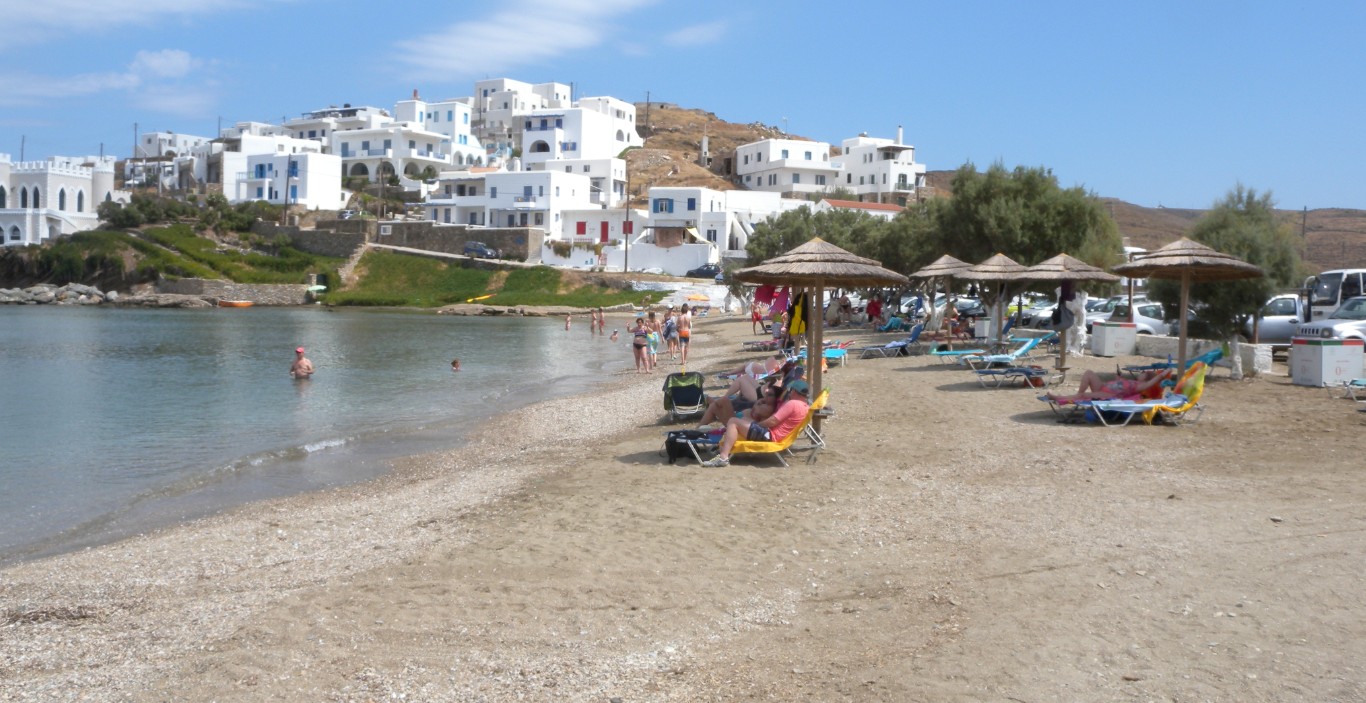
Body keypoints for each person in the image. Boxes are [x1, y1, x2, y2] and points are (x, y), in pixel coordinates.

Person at [701, 381, 812, 467]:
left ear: (794, 391)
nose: (789, 392)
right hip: (776, 436)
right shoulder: (805, 407)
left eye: (790, 390)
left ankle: (723, 457)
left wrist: (758, 425)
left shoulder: (792, 404)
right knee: (742, 420)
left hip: (770, 436)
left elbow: (773, 421)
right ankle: (723, 450)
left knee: (733, 422)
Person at [1046, 369, 1167, 403]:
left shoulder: (1141, 386)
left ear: (1146, 378)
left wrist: (1163, 374)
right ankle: (1078, 394)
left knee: (1084, 395)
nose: (1140, 374)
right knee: (1089, 373)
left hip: (1110, 395)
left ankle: (1058, 398)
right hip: (1102, 386)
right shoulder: (1133, 382)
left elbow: (1156, 379)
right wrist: (1118, 378)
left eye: (1143, 373)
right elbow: (1120, 384)